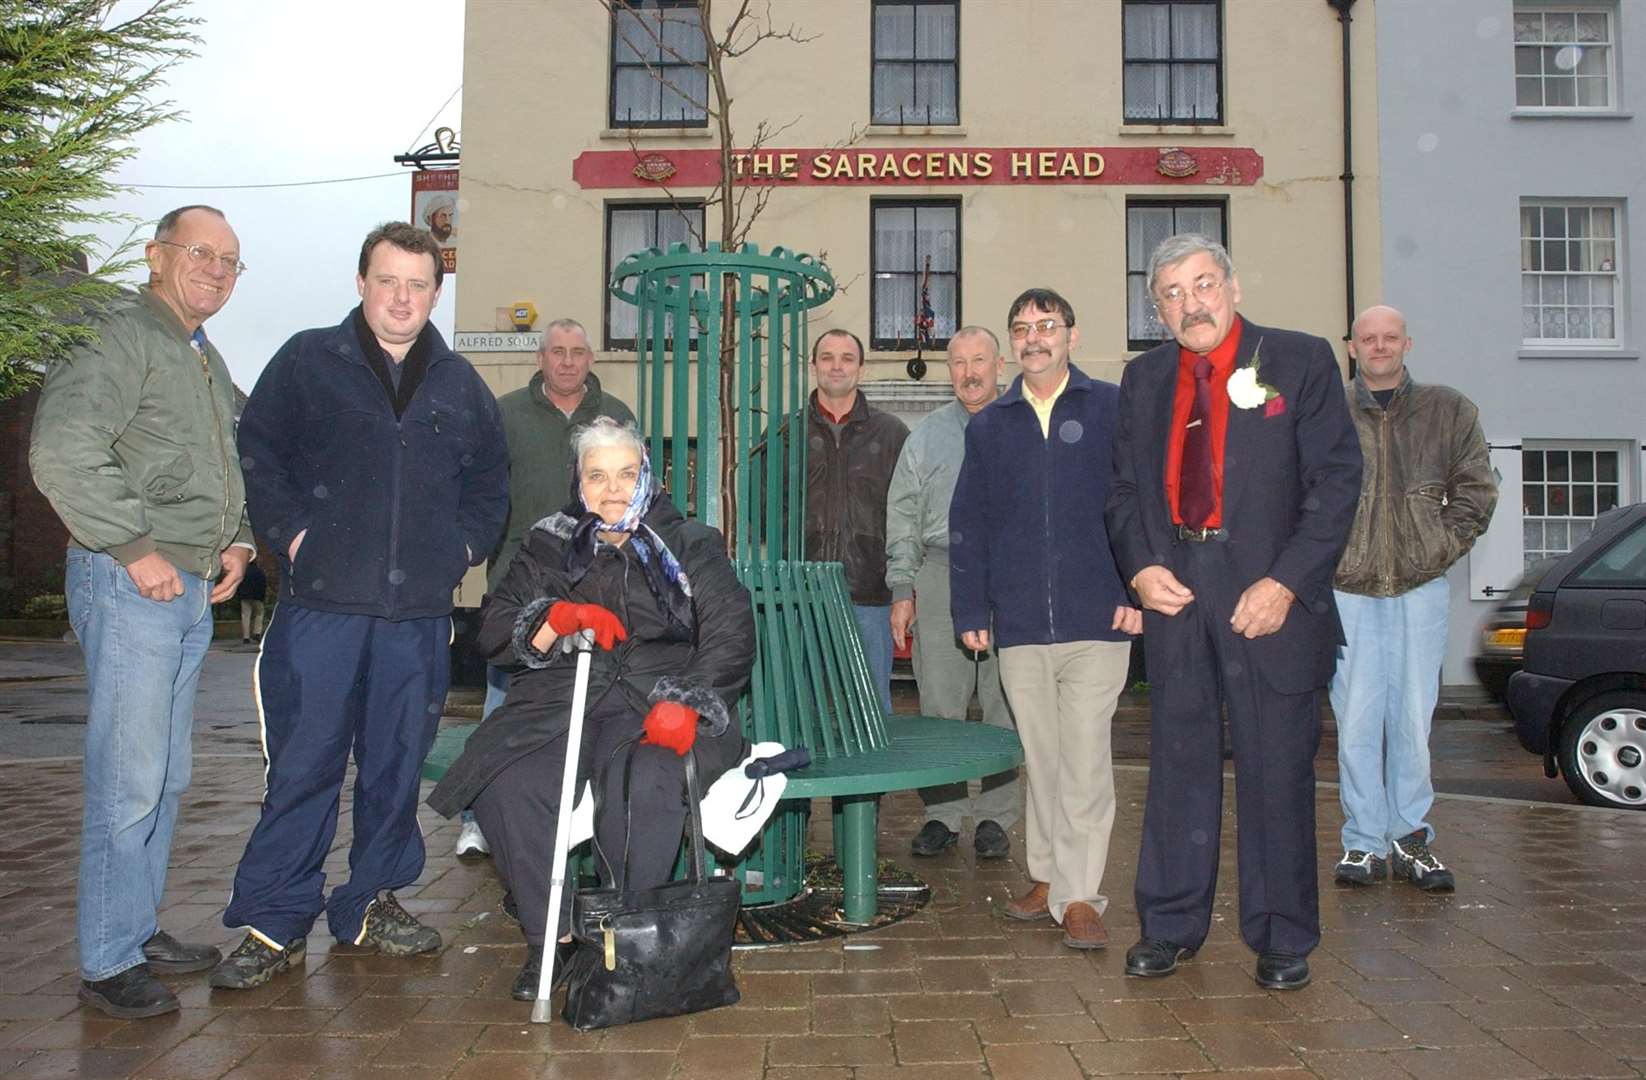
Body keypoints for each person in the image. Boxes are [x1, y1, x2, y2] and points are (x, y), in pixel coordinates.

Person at [213, 222, 509, 989]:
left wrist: (463, 551)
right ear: (361, 283)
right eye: (388, 281)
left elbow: (490, 482)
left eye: (417, 284)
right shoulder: (310, 361)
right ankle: (273, 923)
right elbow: (260, 450)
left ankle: (371, 901)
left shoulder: (459, 383)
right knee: (305, 766)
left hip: (415, 618)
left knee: (393, 767)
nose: (402, 298)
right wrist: (294, 537)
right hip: (322, 612)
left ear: (436, 293)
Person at [1107, 234, 1362, 990]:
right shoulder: (1144, 379)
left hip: (1268, 596)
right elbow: (1123, 493)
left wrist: (1285, 582)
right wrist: (1141, 566)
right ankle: (1170, 923)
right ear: (1157, 309)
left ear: (1234, 287)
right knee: (1177, 766)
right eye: (1173, 294)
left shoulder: (1300, 360)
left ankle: (1282, 934)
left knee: (1275, 767)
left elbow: (1337, 483)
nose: (1192, 304)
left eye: (1203, 284)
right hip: (1177, 588)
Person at [427, 418, 755, 1001]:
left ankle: (624, 943)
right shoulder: (550, 543)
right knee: (509, 780)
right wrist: (554, 619)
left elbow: (729, 630)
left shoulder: (688, 542)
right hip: (563, 698)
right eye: (597, 475)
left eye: (627, 474)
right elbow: (495, 630)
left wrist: (689, 702)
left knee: (644, 777)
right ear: (577, 482)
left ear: (648, 477)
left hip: (661, 698)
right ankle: (547, 942)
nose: (612, 490)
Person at [30, 204, 253, 1018]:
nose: (218, 270)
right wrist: (134, 548)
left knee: (165, 774)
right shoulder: (120, 334)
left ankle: (137, 926)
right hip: (132, 585)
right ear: (157, 256)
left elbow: (231, 459)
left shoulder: (200, 353)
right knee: (128, 779)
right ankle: (107, 959)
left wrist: (240, 542)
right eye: (201, 252)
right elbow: (61, 449)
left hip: (189, 588)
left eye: (232, 260)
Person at [948, 290, 1140, 951]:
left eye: (1046, 326)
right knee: (1044, 757)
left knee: (1085, 759)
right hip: (1021, 622)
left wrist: (1136, 590)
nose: (1035, 338)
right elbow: (968, 522)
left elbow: (1138, 504)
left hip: (1100, 615)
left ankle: (1080, 896)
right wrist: (971, 606)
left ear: (1071, 336)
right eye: (1023, 329)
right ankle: (1049, 877)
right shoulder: (991, 424)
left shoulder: (1111, 409)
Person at [455, 319, 636, 859]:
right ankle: (477, 816)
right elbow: (484, 491)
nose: (567, 361)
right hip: (521, 578)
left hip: (598, 583)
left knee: (590, 699)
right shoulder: (506, 413)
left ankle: (573, 812)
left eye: (577, 352)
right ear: (541, 358)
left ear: (590, 359)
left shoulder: (617, 416)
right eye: (557, 351)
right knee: (502, 699)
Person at [1330, 305, 1496, 891]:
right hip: (1346, 589)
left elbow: (1477, 491)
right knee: (1354, 722)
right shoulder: (1327, 411)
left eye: (1389, 338)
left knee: (1412, 719)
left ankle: (1411, 837)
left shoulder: (1449, 410)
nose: (1379, 347)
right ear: (1351, 347)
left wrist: (1435, 549)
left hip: (1420, 589)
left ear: (1408, 344)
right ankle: (1362, 843)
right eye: (1368, 339)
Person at [887, 327, 1020, 861]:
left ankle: (995, 815)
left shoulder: (1025, 424)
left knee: (1004, 701)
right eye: (958, 362)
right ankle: (941, 814)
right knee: (940, 702)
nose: (969, 372)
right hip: (940, 573)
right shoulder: (926, 437)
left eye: (979, 360)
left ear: (999, 364)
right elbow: (902, 513)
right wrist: (903, 586)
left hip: (1010, 577)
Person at [805, 329, 908, 714]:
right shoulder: (786, 433)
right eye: (827, 357)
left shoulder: (893, 434)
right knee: (803, 714)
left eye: (847, 358)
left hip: (870, 596)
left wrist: (902, 588)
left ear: (861, 369)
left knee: (872, 713)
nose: (837, 366)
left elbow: (907, 516)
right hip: (803, 600)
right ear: (813, 366)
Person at [237, 558, 268, 644]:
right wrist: (262, 596)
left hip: (245, 597)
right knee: (259, 614)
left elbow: (239, 583)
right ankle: (257, 632)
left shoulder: (243, 571)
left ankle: (246, 637)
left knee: (245, 616)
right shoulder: (260, 572)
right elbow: (263, 584)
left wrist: (240, 595)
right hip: (257, 597)